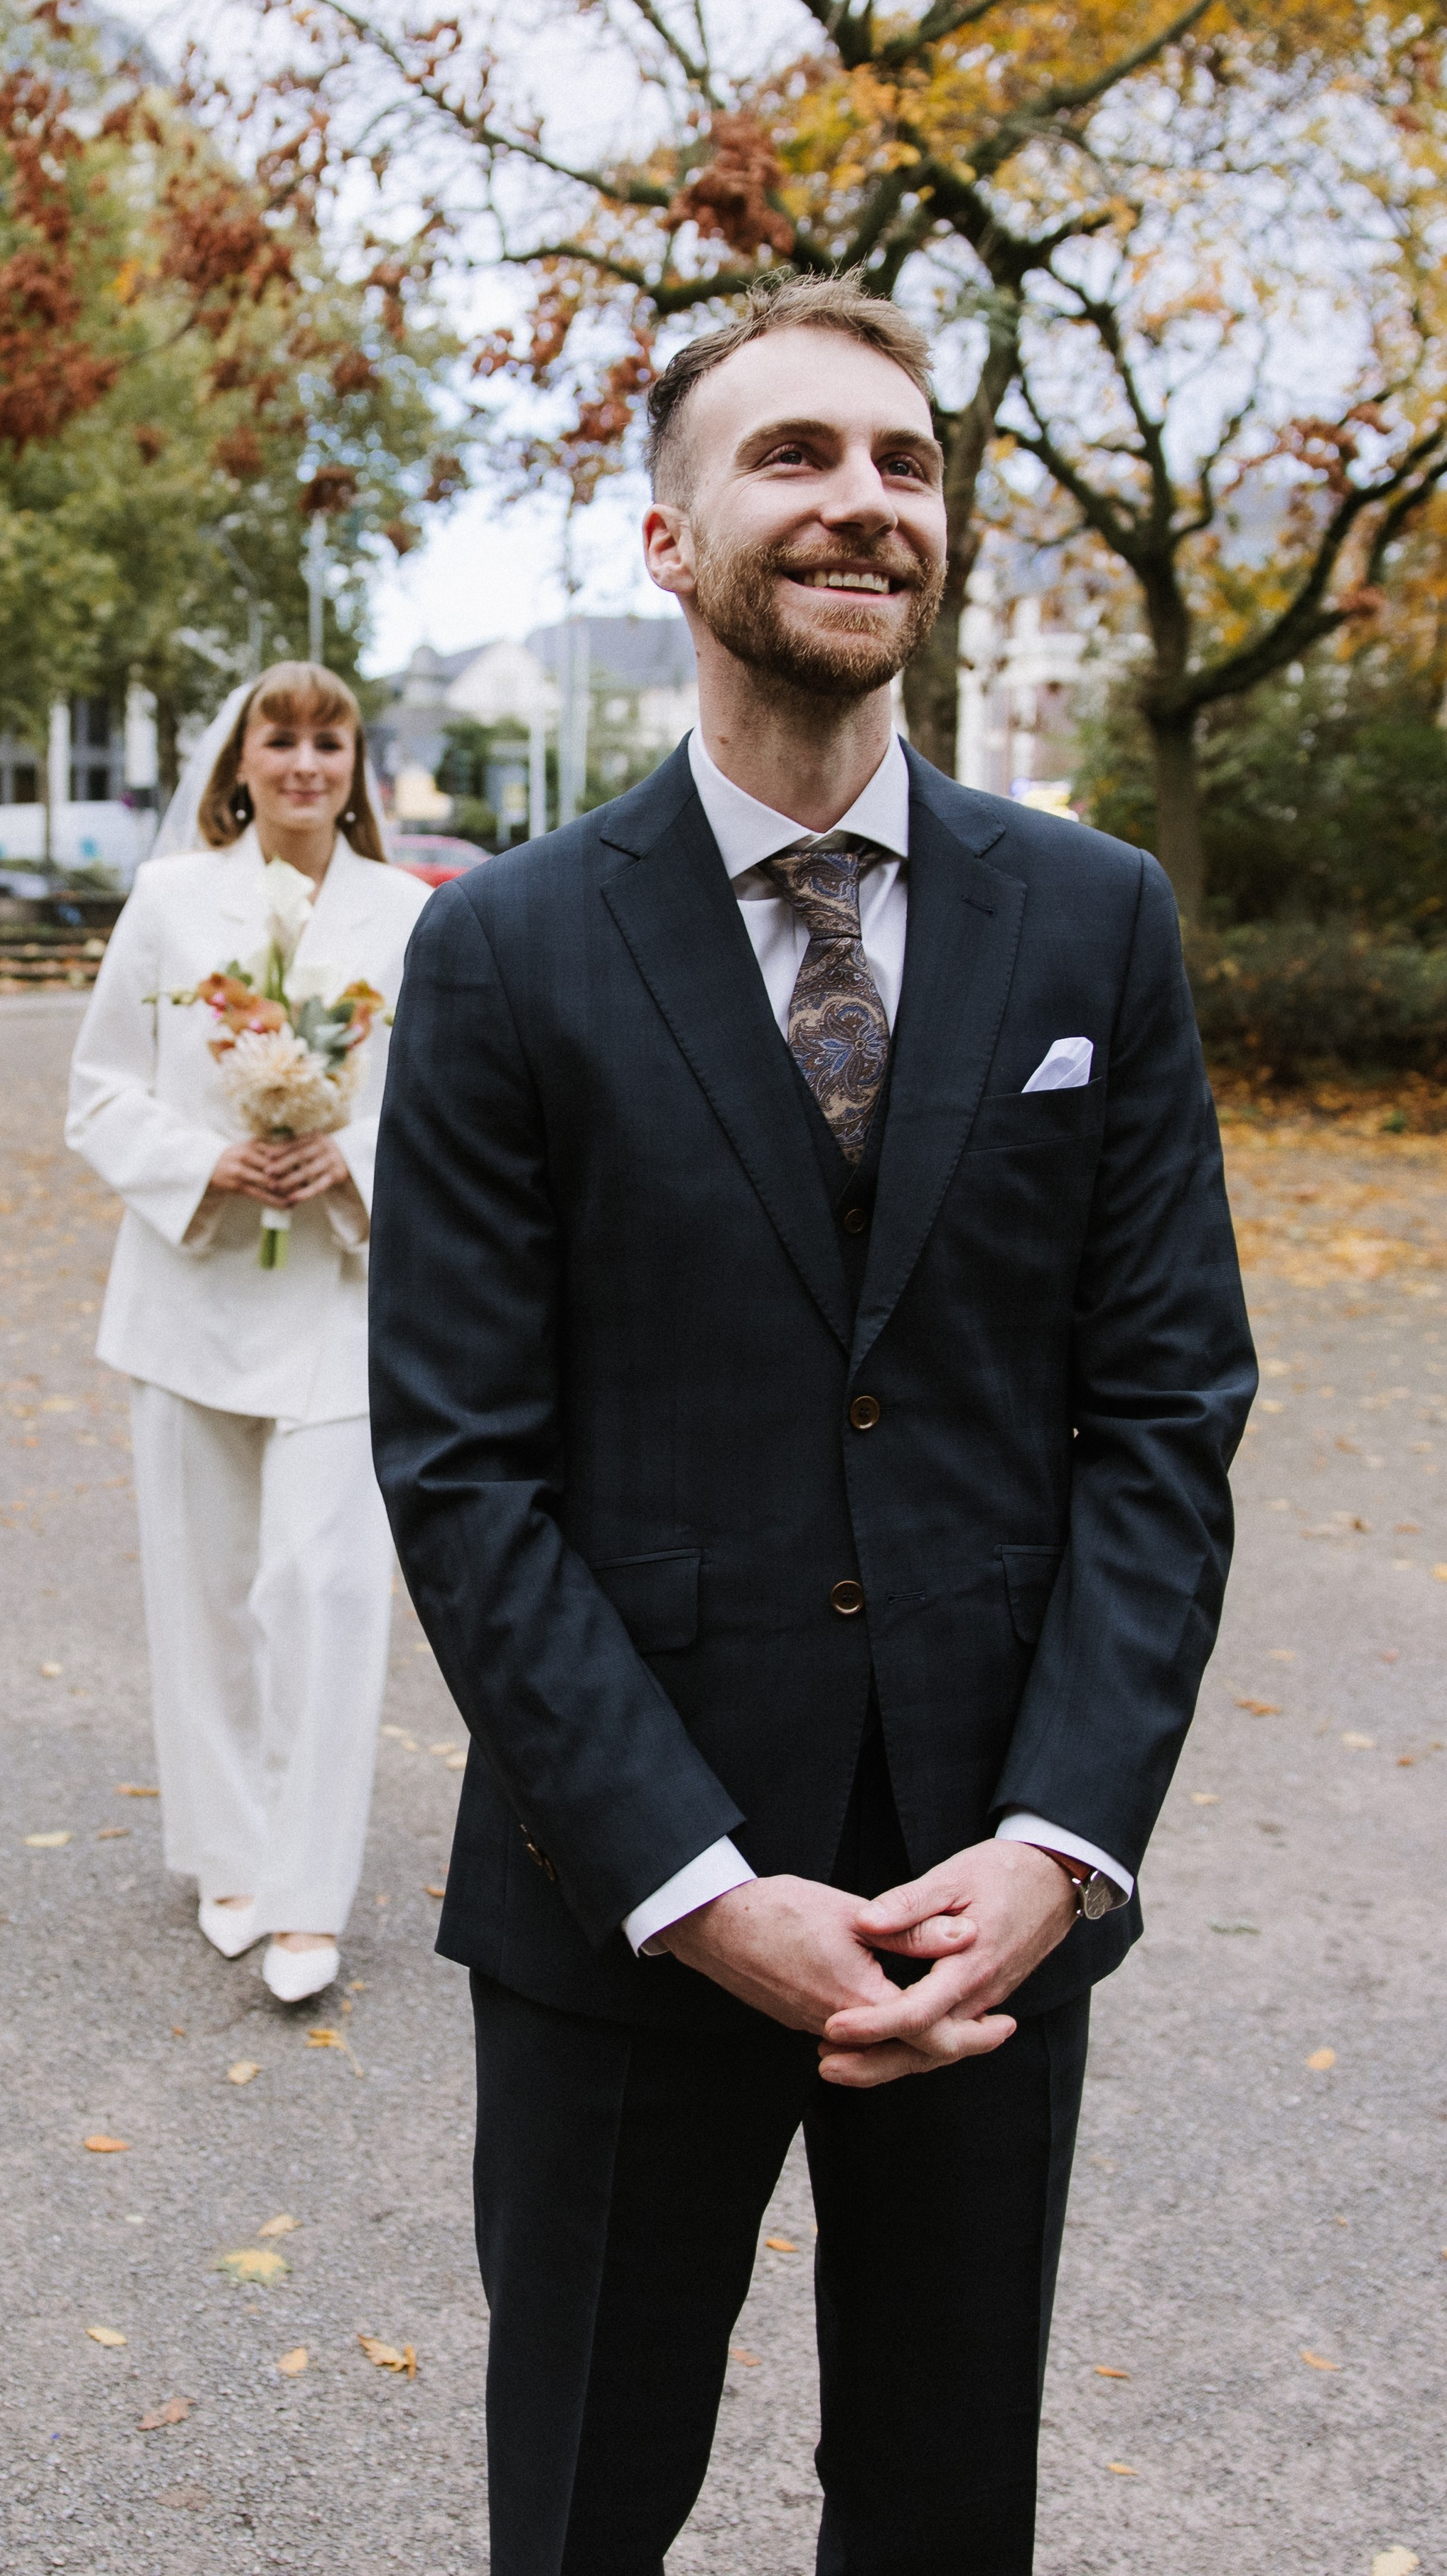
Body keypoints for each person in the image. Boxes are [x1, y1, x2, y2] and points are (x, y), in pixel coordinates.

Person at [368, 274, 1256, 2573]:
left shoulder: (1097, 923)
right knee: (583, 2504)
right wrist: (692, 1883)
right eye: (794, 455)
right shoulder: (507, 952)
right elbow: (464, 1467)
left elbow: (1164, 1409)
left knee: (951, 2514)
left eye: (904, 460)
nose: (864, 501)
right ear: (667, 540)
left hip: (985, 1908)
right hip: (621, 1896)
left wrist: (1061, 1841)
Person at [67, 662, 429, 2004]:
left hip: (341, 1296)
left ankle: (307, 1889)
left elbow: (445, 1108)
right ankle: (226, 1852)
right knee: (207, 1587)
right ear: (240, 763)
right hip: (194, 1290)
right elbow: (100, 1089)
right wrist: (209, 1164)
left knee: (324, 1588)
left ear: (354, 764)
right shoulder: (172, 903)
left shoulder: (406, 914)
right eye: (280, 739)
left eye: (328, 740)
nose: (304, 762)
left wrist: (353, 1165)